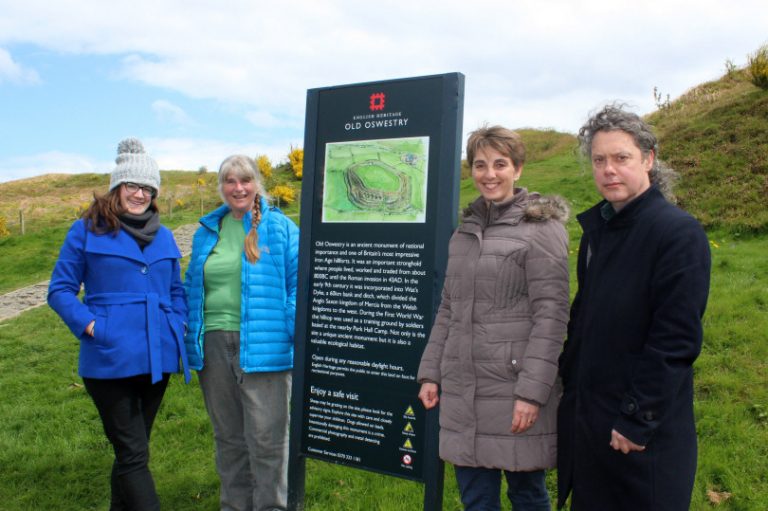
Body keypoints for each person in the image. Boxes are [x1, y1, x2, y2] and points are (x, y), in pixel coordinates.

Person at [557, 105, 711, 510]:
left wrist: (637, 420)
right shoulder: (597, 233)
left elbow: (675, 340)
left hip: (641, 437)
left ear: (648, 159)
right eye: (599, 160)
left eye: (621, 158)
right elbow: (586, 322)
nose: (609, 169)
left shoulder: (677, 233)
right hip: (591, 425)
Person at [418, 126, 570, 511]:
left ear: (517, 169)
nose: (490, 174)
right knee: (476, 500)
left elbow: (551, 316)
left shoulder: (542, 229)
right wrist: (431, 372)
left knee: (528, 496)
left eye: (500, 164)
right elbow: (449, 307)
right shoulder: (464, 233)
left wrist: (531, 393)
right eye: (481, 165)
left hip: (513, 390)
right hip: (463, 391)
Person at [48, 138, 189, 511]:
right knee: (132, 454)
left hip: (158, 359)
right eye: (132, 186)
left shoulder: (165, 235)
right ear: (117, 187)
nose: (140, 194)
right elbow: (60, 290)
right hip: (109, 359)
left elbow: (176, 290)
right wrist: (92, 326)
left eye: (147, 188)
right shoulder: (85, 230)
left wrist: (178, 324)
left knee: (133, 452)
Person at [184, 155, 299, 511]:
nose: (238, 188)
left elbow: (300, 284)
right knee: (229, 440)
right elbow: (192, 286)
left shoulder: (280, 228)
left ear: (257, 184)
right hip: (214, 346)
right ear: (221, 187)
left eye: (245, 180)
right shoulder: (207, 232)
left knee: (267, 441)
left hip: (265, 346)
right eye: (230, 181)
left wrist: (286, 327)